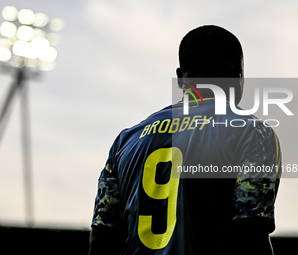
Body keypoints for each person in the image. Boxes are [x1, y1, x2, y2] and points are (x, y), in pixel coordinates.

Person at [89, 25, 281, 255]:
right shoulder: (252, 132)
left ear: (180, 78)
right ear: (239, 77)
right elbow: (249, 234)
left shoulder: (126, 141)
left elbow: (101, 240)